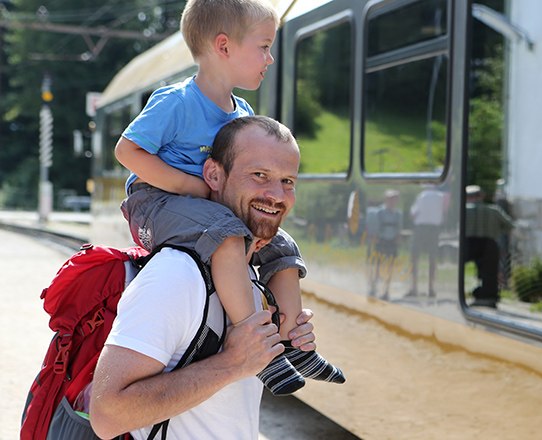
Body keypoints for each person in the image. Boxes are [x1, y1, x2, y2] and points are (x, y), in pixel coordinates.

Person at [113, 0, 343, 395]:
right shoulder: (177, 101)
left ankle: (294, 340)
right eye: (264, 46)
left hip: (207, 209)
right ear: (224, 47)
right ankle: (259, 347)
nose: (270, 58)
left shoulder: (243, 113)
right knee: (226, 235)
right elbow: (127, 152)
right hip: (155, 203)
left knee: (282, 244)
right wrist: (189, 186)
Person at [91, 116, 323, 439]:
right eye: (259, 175)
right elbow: (106, 414)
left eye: (288, 181)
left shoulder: (247, 276)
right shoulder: (177, 275)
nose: (277, 195)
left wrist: (286, 341)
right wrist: (232, 363)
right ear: (213, 174)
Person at [464, 184, 514, 308]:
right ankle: (488, 296)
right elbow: (509, 225)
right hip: (488, 242)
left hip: (467, 242)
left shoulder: (463, 210)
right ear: (481, 196)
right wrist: (496, 230)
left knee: (458, 268)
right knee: (490, 272)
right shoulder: (493, 210)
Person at [408, 184, 449, 298]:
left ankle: (414, 287)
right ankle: (431, 288)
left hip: (420, 228)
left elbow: (413, 214)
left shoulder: (421, 196)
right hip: (434, 229)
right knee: (432, 259)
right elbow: (445, 212)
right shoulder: (441, 197)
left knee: (414, 258)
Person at [366, 189, 402, 299]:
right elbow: (374, 226)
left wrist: (398, 238)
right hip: (381, 240)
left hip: (391, 242)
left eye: (394, 199)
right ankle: (374, 288)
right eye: (390, 199)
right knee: (378, 266)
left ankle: (386, 291)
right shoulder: (379, 212)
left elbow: (399, 228)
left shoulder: (398, 214)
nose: (392, 201)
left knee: (390, 267)